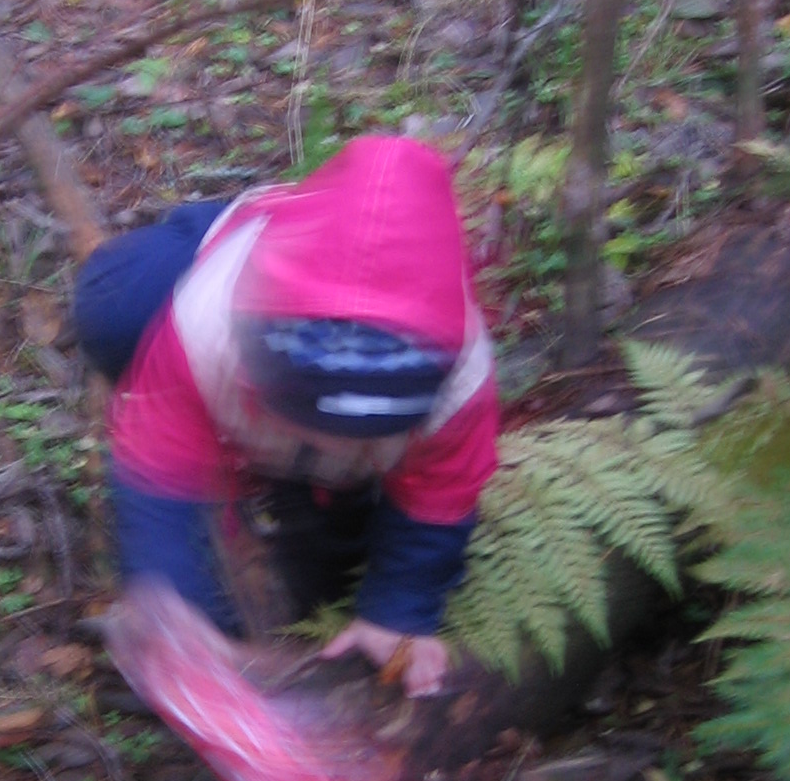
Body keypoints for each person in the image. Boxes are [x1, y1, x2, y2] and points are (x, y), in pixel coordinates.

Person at [73, 134, 497, 697]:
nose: (334, 442)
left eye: (358, 435)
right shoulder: (206, 324)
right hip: (221, 244)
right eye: (306, 419)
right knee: (117, 310)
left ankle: (326, 491)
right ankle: (288, 467)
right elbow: (155, 464)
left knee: (328, 570)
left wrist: (398, 613)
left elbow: (441, 494)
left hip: (296, 394)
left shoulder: (462, 382)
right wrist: (175, 611)